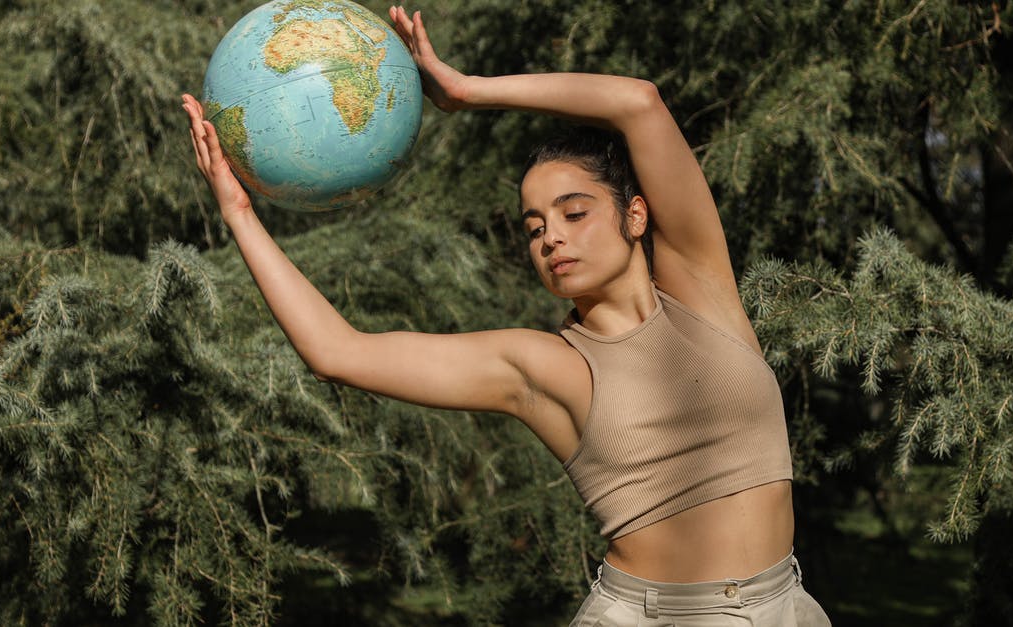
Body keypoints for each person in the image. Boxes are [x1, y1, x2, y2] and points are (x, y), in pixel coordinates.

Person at [181, 6, 830, 625]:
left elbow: (639, 103)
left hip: (787, 603)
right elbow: (337, 352)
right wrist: (239, 213)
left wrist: (467, 91)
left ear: (636, 215)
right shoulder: (541, 365)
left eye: (574, 212)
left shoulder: (701, 291)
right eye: (535, 225)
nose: (551, 237)